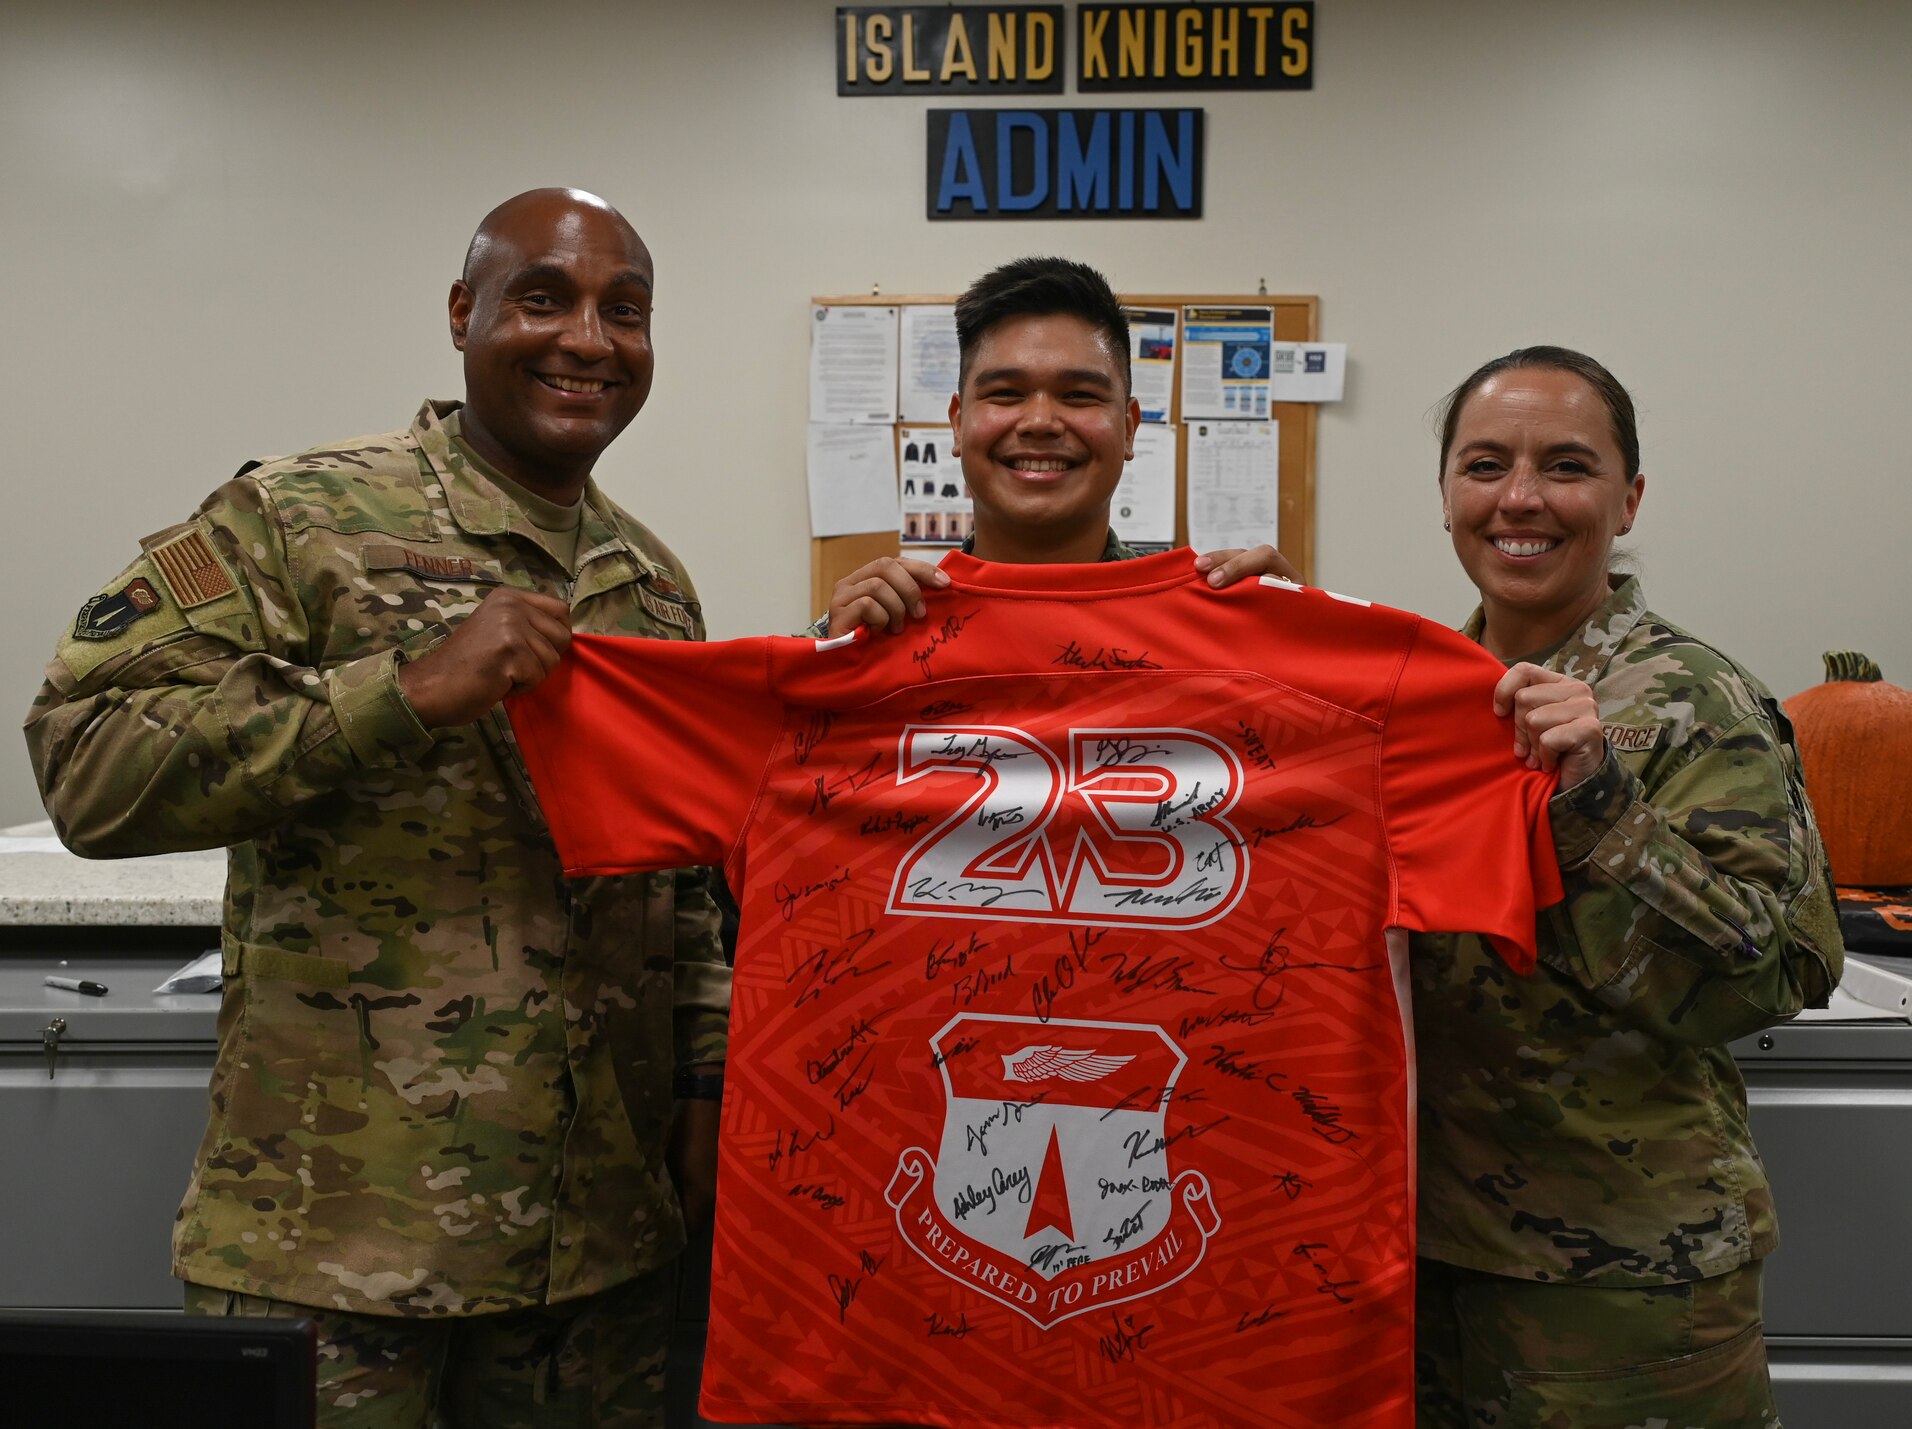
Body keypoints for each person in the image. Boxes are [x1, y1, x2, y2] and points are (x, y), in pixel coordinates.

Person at [22, 188, 728, 1427]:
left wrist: (706, 1089)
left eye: (627, 312)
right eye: (543, 297)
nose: (588, 340)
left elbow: (680, 886)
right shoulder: (301, 521)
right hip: (336, 1244)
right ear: (464, 314)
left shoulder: (653, 581)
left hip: (595, 1260)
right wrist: (401, 691)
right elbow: (83, 761)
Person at [1413, 346, 1843, 1427]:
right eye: (1483, 465)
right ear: (1445, 493)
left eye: (1564, 466)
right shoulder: (1417, 699)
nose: (1519, 498)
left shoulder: (1696, 700)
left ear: (1626, 497)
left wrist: (1598, 800)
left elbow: (1775, 970)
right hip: (1419, 1260)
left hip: (1622, 1285)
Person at [815, 255, 1296, 636]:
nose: (1041, 422)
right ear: (958, 425)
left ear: (1129, 428)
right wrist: (830, 664)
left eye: (1079, 395)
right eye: (1006, 393)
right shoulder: (877, 624)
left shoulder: (1218, 619)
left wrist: (1295, 645)